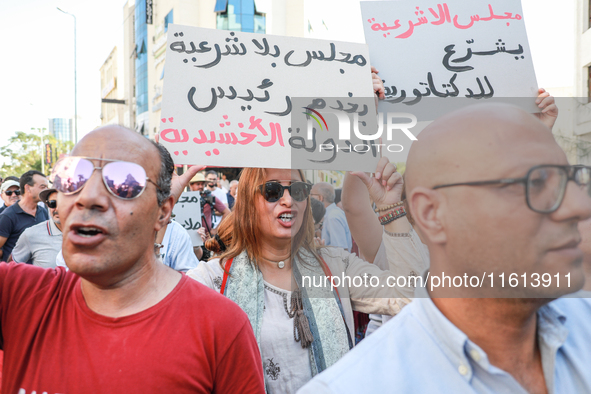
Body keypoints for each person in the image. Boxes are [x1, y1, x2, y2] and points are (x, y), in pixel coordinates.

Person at [298, 103, 591, 393]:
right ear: (430, 214)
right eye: (534, 183)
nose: (579, 207)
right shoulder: (361, 384)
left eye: (571, 180)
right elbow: (356, 206)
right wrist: (364, 127)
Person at [0, 125, 264, 393]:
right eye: (73, 177)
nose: (87, 197)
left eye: (124, 183)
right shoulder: (20, 296)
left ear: (164, 212)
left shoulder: (220, 327)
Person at [187, 160, 421, 394]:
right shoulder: (214, 279)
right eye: (272, 191)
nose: (288, 200)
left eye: (297, 190)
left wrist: (391, 208)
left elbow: (410, 296)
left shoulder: (335, 265)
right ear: (248, 201)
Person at [0, 170, 49, 261]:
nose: (46, 190)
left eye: (46, 187)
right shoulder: (7, 216)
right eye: (42, 187)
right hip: (16, 273)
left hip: (40, 273)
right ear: (28, 188)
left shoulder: (43, 212)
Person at [11, 188, 62, 268]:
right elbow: (12, 268)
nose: (57, 208)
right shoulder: (31, 234)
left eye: (63, 203)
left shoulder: (86, 233)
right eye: (52, 203)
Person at [311, 182, 352, 251]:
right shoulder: (332, 214)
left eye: (311, 194)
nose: (309, 197)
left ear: (320, 197)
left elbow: (340, 250)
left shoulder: (333, 217)